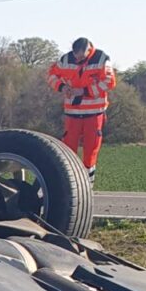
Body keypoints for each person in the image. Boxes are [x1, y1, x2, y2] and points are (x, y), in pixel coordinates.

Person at [46, 37, 115, 183]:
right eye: (76, 58)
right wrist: (62, 87)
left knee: (90, 151)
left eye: (81, 58)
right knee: (68, 150)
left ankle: (88, 183)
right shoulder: (66, 59)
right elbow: (51, 75)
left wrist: (84, 91)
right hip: (72, 114)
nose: (78, 61)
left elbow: (109, 81)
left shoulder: (101, 59)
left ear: (89, 50)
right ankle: (68, 182)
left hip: (94, 113)